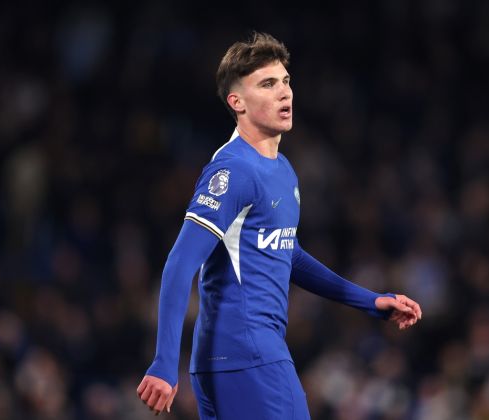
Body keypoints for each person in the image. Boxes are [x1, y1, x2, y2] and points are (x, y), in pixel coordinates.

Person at [137, 32, 422, 419]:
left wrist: (369, 301)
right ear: (236, 102)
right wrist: (164, 362)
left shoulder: (282, 171)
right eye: (267, 84)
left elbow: (289, 255)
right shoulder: (234, 169)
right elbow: (180, 264)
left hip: (234, 360)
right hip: (249, 354)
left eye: (286, 81)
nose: (284, 93)